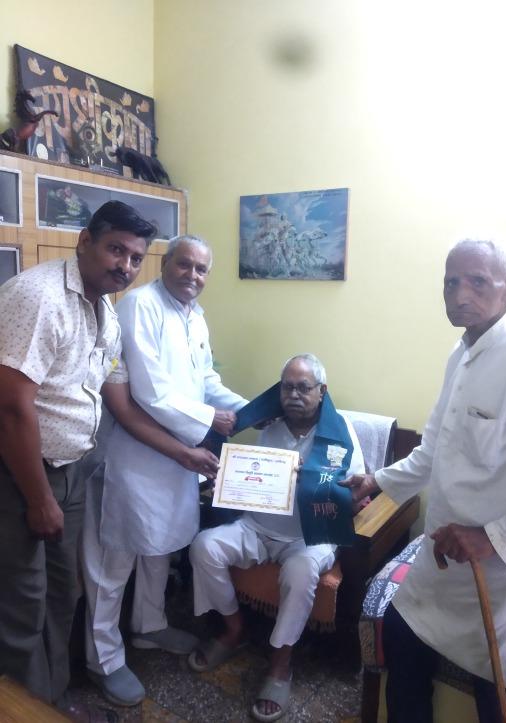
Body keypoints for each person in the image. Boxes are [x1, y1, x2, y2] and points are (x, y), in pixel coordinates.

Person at [343, 239, 506, 723]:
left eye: (477, 282)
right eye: (451, 283)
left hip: (501, 573)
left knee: (500, 696)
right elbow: (433, 451)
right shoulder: (461, 354)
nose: (459, 295)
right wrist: (377, 481)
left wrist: (492, 538)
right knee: (402, 635)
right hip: (441, 561)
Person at [0, 201, 156, 718]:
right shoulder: (39, 296)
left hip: (70, 475)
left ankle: (55, 700)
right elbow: (11, 407)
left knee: (62, 596)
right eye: (116, 249)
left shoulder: (103, 309)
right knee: (22, 606)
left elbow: (103, 388)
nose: (125, 266)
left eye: (135, 258)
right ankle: (26, 711)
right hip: (22, 476)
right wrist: (38, 499)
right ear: (85, 241)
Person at [82, 234, 247, 707]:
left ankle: (149, 625)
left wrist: (250, 410)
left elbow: (205, 379)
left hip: (176, 454)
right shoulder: (141, 306)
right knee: (113, 561)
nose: (192, 275)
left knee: (159, 548)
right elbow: (150, 392)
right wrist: (210, 420)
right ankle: (103, 658)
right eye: (184, 264)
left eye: (201, 269)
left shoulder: (194, 315)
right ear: (165, 263)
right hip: (132, 456)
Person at [188, 353, 365, 722]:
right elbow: (252, 480)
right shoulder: (270, 427)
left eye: (304, 388)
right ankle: (234, 630)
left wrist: (317, 483)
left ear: (322, 391)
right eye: (287, 387)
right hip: (256, 528)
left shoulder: (341, 432)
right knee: (204, 547)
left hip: (308, 536)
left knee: (301, 572)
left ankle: (281, 664)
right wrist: (228, 483)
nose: (294, 395)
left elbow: (357, 492)